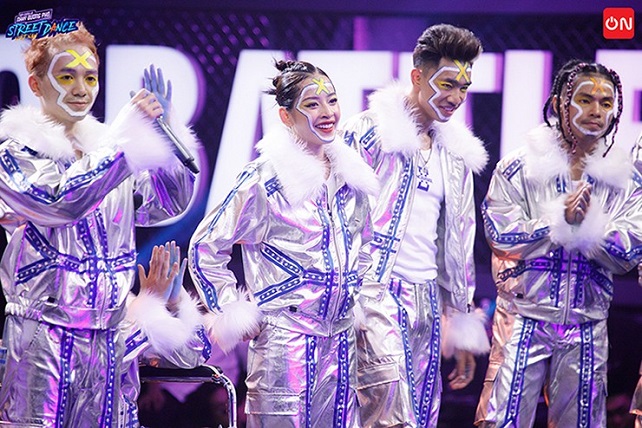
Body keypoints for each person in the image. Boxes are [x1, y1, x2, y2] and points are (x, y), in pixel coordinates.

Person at [0, 23, 199, 426]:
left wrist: (167, 134)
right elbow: (59, 203)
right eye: (66, 76)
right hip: (45, 334)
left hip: (109, 336)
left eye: (89, 77)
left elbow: (167, 202)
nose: (81, 89)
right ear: (36, 85)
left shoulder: (108, 152)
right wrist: (122, 142)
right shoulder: (15, 153)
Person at [189, 59, 378, 427]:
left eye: (332, 101)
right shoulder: (265, 179)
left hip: (341, 344)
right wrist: (232, 308)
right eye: (312, 104)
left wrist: (362, 302)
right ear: (286, 116)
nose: (328, 113)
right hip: (285, 345)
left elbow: (366, 245)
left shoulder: (351, 178)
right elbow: (205, 246)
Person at [474, 59, 642, 427]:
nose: (596, 111)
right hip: (523, 317)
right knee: (500, 420)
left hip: (587, 322)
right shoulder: (519, 167)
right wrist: (557, 222)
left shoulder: (625, 180)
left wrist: (588, 228)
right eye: (585, 100)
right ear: (558, 104)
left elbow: (630, 251)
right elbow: (499, 234)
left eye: (606, 103)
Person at [341, 23, 491, 427]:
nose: (455, 97)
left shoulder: (455, 154)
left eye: (463, 87)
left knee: (423, 415)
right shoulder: (368, 134)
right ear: (417, 76)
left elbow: (459, 241)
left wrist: (460, 320)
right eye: (447, 84)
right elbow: (335, 218)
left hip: (428, 300)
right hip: (375, 294)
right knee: (389, 415)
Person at [119, 241, 210, 427]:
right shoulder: (60, 306)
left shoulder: (127, 304)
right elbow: (102, 364)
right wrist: (148, 307)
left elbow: (192, 358)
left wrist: (174, 305)